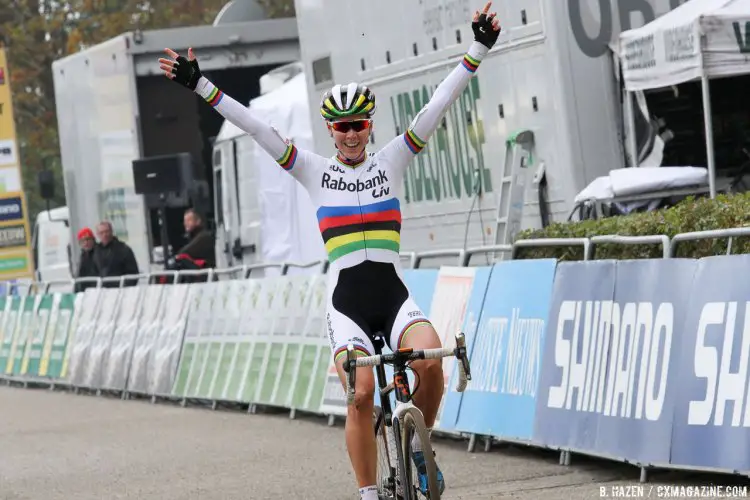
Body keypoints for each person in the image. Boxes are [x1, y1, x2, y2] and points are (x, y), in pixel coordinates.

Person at [158, 3, 500, 498]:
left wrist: (478, 48)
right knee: (361, 395)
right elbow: (255, 127)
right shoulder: (313, 170)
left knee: (431, 366)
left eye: (359, 123)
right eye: (341, 127)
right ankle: (367, 491)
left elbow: (438, 104)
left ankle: (422, 454)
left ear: (369, 125)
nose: (352, 133)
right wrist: (200, 85)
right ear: (330, 131)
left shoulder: (395, 158)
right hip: (348, 306)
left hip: (394, 295)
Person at [95, 221, 139, 287]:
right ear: (97, 234)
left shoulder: (123, 249)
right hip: (101, 291)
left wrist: (125, 287)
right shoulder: (96, 251)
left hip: (120, 290)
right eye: (101, 233)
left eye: (107, 231)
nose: (105, 235)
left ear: (111, 231)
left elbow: (133, 273)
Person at [74, 227, 99, 293]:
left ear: (93, 240)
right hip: (85, 291)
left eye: (88, 239)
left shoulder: (100, 253)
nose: (86, 243)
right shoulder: (82, 256)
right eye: (83, 241)